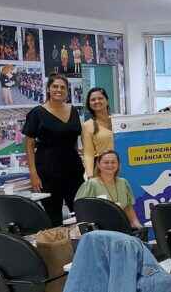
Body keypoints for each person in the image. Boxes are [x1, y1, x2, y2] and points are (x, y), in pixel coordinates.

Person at [23, 73, 84, 226]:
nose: (59, 90)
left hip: (73, 169)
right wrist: (33, 173)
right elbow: (29, 143)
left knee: (81, 212)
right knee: (54, 217)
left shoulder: (74, 111)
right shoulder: (37, 113)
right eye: (55, 86)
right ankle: (59, 248)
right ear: (48, 89)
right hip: (47, 171)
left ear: (67, 91)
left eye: (63, 87)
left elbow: (75, 139)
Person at [75, 150, 141, 228]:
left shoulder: (123, 183)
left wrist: (137, 224)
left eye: (113, 162)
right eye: (106, 162)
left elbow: (128, 208)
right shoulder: (91, 184)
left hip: (122, 226)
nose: (110, 165)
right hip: (100, 230)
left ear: (118, 165)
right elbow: (81, 209)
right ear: (98, 165)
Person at [82, 87, 114, 178]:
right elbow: (88, 154)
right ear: (89, 104)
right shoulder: (88, 125)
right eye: (93, 100)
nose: (97, 101)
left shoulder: (118, 121)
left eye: (100, 98)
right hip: (101, 171)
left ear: (107, 101)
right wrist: (90, 176)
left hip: (123, 168)